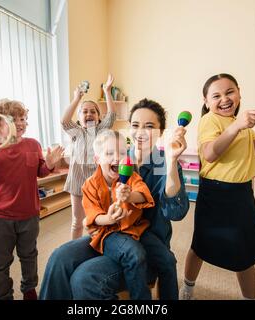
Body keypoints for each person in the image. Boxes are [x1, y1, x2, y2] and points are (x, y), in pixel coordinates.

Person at [39, 98, 190, 300]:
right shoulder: (117, 154)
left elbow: (176, 212)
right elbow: (93, 177)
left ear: (161, 132)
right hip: (109, 234)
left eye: (150, 126)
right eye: (135, 125)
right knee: (60, 257)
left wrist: (171, 161)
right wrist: (52, 166)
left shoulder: (166, 162)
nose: (141, 131)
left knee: (84, 278)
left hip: (144, 245)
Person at [179, 73, 255, 300]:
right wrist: (237, 125)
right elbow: (210, 153)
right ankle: (187, 288)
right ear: (206, 102)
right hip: (215, 194)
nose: (224, 99)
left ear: (239, 93)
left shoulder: (244, 124)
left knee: (244, 253)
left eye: (229, 92)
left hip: (242, 194)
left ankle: (249, 298)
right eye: (216, 95)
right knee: (201, 245)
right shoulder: (211, 121)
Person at [0, 99, 63, 300]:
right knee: (0, 262)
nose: (21, 123)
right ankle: (3, 296)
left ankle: (29, 289)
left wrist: (51, 164)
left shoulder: (33, 144)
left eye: (24, 118)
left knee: (29, 255)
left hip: (28, 214)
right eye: (14, 118)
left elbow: (41, 171)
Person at [83, 130, 155, 299]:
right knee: (134, 253)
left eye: (122, 152)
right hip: (108, 234)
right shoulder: (89, 184)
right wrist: (108, 218)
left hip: (132, 231)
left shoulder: (131, 177)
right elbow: (93, 215)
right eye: (109, 153)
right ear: (97, 159)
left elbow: (143, 194)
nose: (117, 157)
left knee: (141, 253)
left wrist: (129, 196)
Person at [62, 74, 116, 239]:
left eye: (93, 111)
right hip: (77, 182)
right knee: (77, 221)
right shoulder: (76, 132)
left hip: (97, 183)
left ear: (99, 118)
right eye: (84, 112)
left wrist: (107, 91)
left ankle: (98, 244)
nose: (89, 114)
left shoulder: (101, 130)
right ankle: (74, 248)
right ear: (79, 118)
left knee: (98, 219)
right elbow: (64, 121)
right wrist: (76, 99)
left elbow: (112, 115)